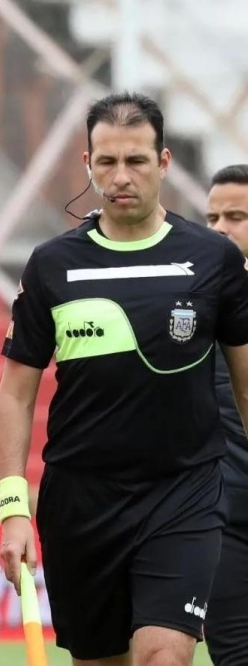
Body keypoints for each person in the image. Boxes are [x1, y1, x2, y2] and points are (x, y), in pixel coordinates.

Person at [0, 92, 248, 666]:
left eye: (135, 160)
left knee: (164, 656)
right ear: (87, 164)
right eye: (106, 162)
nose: (120, 176)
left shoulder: (213, 261)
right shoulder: (52, 265)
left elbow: (246, 387)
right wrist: (12, 508)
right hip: (81, 503)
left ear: (164, 162)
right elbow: (14, 394)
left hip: (183, 494)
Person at [204, 163, 248, 666]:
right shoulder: (192, 306)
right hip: (222, 515)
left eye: (235, 216)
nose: (219, 227)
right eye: (213, 215)